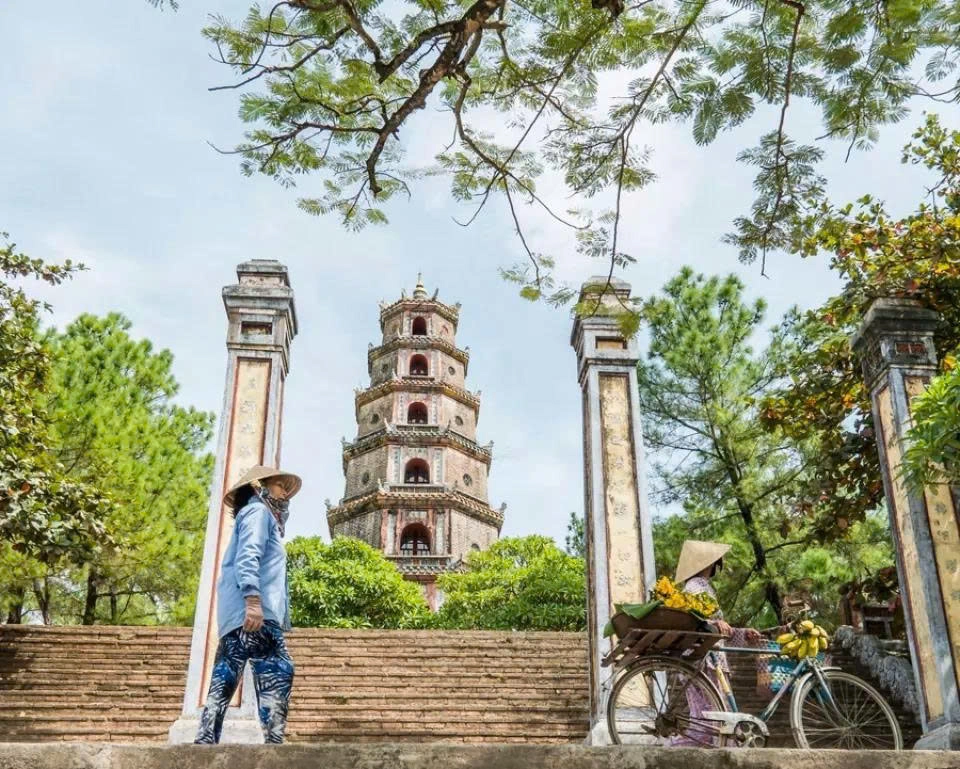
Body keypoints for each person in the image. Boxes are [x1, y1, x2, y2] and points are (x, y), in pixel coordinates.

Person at [194, 465, 302, 745]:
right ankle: (274, 743)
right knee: (278, 668)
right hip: (254, 613)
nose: (285, 493)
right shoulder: (258, 512)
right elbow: (248, 556)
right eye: (280, 485)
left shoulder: (255, 514)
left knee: (226, 672)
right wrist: (253, 600)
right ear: (259, 486)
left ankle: (206, 740)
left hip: (237, 614)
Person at [673, 540, 763, 746]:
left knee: (714, 719)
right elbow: (696, 621)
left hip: (710, 658)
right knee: (712, 721)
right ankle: (671, 752)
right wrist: (716, 622)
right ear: (708, 563)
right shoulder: (695, 586)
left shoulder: (702, 587)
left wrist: (742, 633)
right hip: (705, 660)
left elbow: (715, 627)